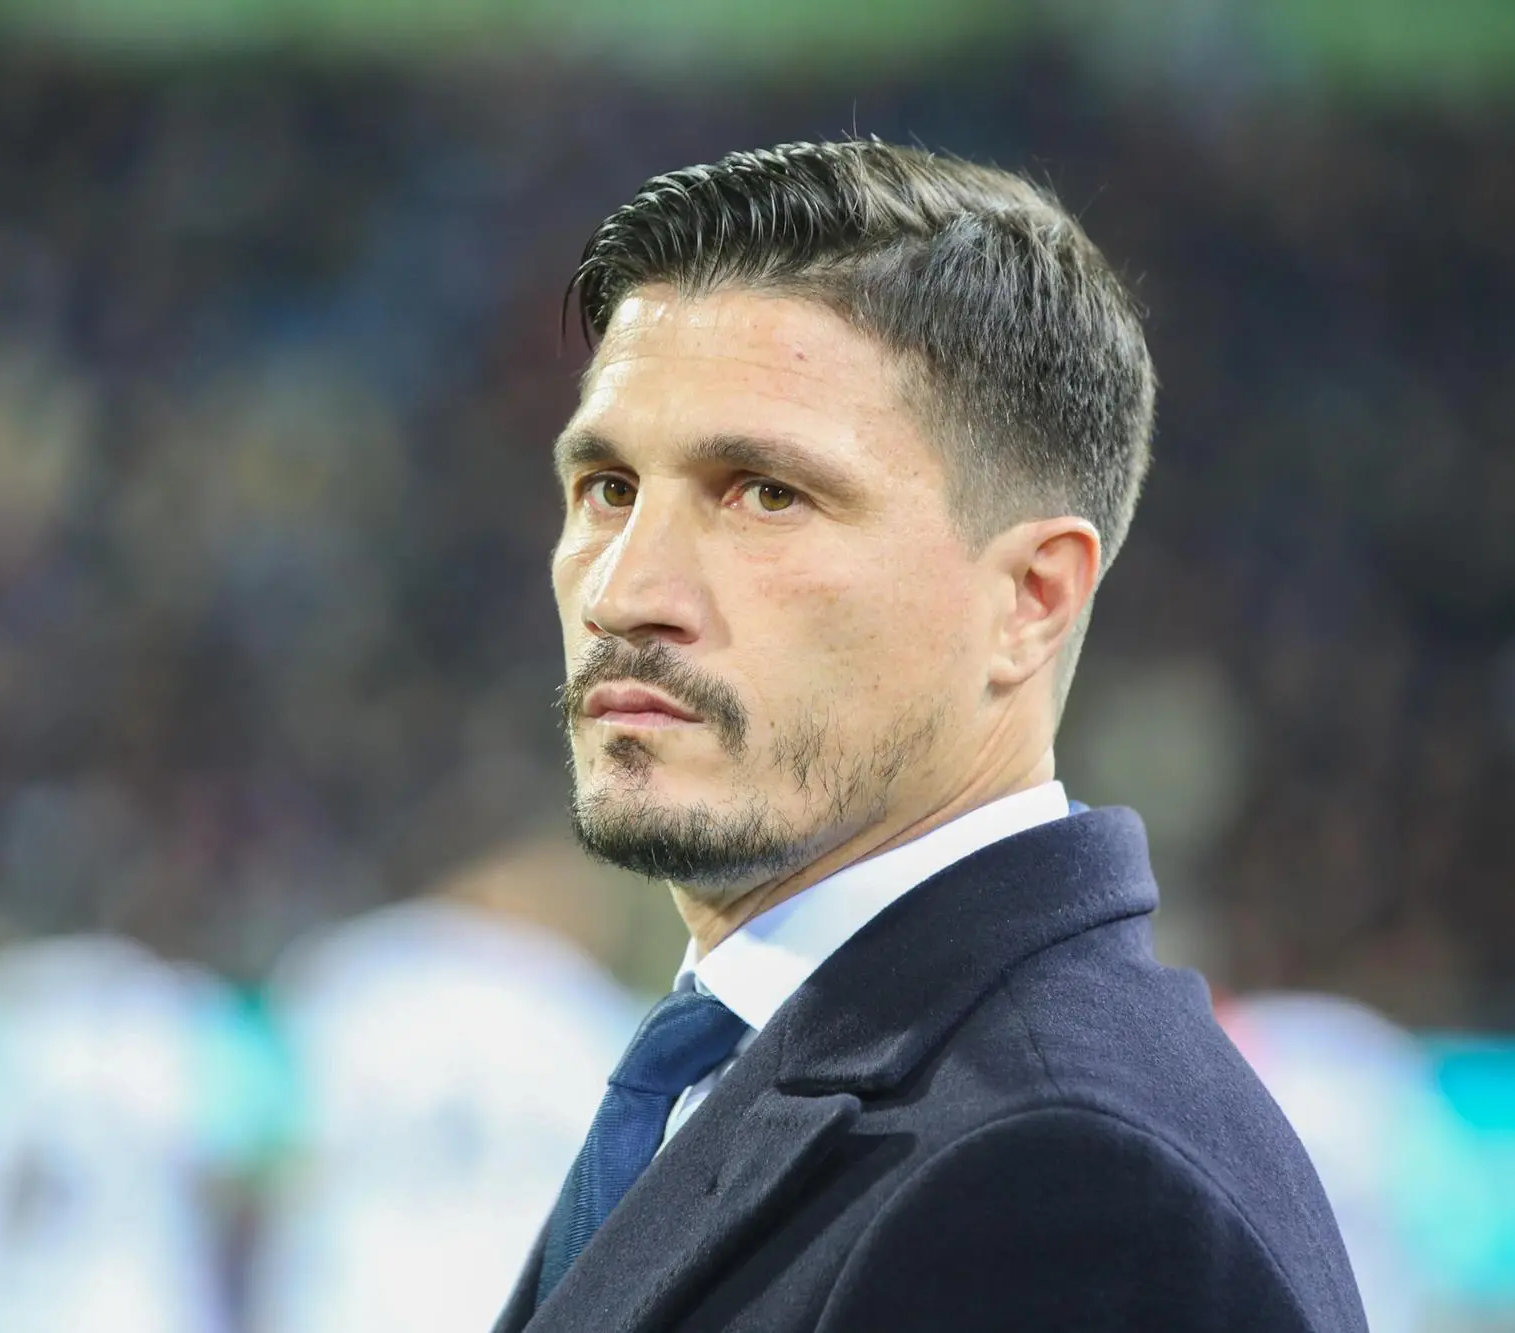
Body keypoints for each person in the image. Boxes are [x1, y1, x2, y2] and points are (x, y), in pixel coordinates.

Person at [495, 139, 1367, 1333]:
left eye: (763, 492)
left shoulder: (1064, 1179)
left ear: (1032, 600)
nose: (623, 590)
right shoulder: (774, 1067)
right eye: (605, 487)